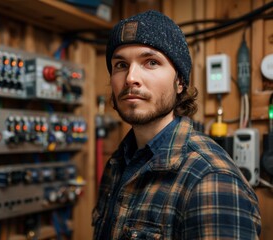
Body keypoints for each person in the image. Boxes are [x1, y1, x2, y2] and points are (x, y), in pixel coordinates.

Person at [92, 10, 261, 239]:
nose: (131, 77)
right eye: (121, 65)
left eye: (151, 62)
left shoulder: (210, 178)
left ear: (180, 82)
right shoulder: (119, 162)